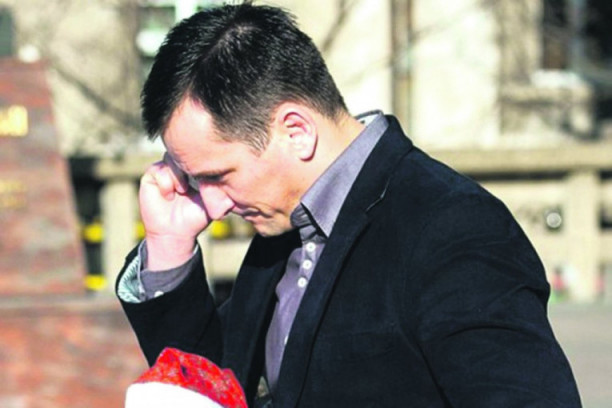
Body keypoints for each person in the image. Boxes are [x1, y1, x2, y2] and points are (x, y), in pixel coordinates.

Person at [116, 3, 581, 407]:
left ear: (296, 131)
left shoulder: (452, 227)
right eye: (197, 180)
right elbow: (213, 386)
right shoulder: (281, 227)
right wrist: (169, 246)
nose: (214, 206)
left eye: (218, 175)